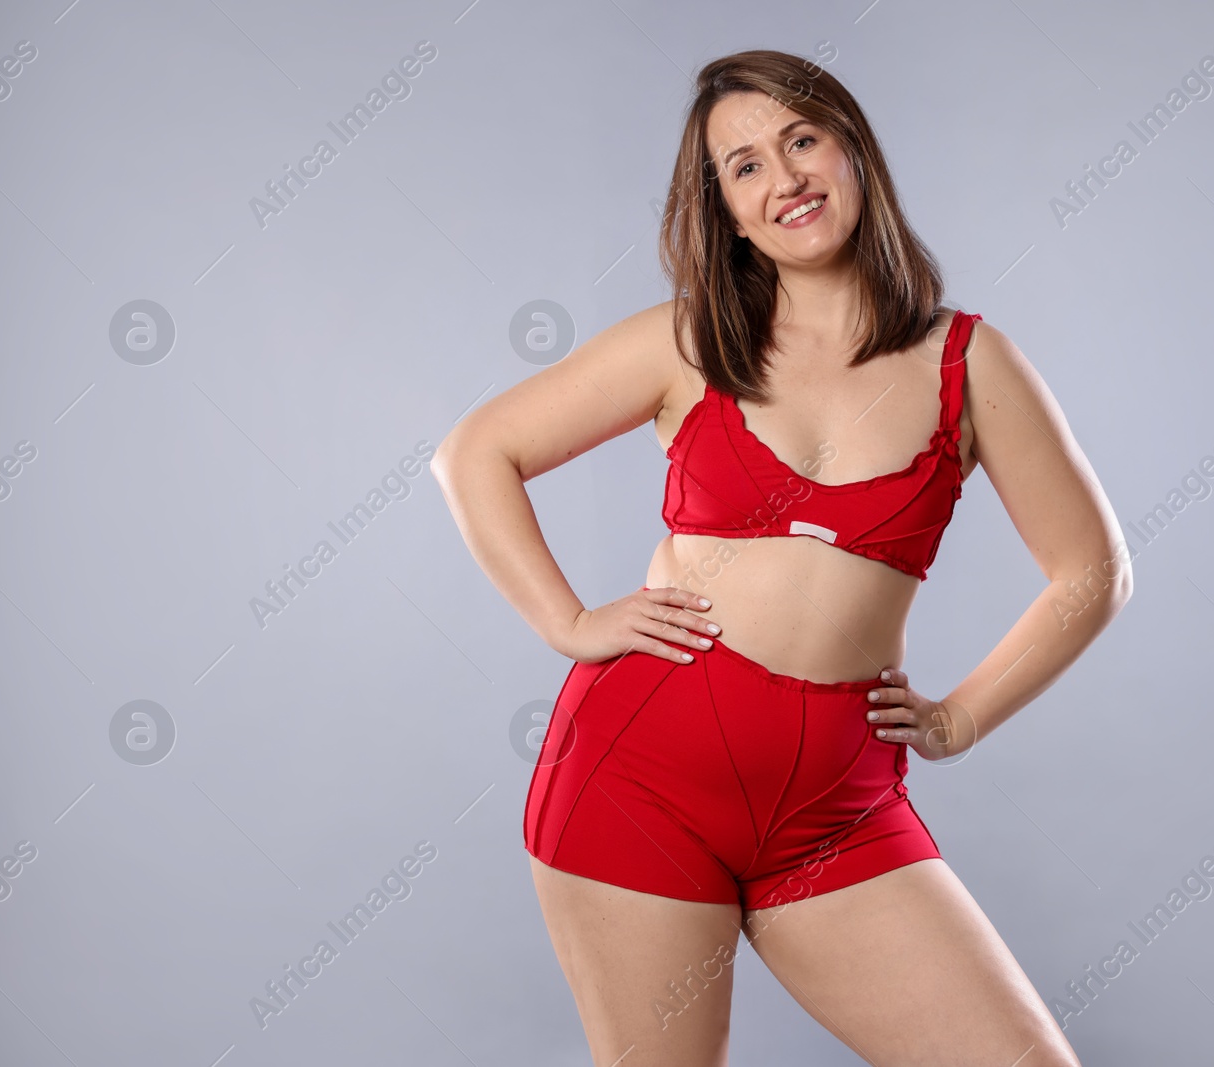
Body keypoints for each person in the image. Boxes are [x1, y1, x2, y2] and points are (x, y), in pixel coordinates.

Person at [432, 48, 1129, 1067]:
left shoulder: (969, 362)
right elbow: (475, 451)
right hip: (639, 781)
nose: (784, 178)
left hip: (834, 812)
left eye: (801, 140)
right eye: (744, 166)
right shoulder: (687, 341)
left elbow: (1090, 572)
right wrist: (569, 622)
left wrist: (960, 715)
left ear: (851, 150)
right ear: (725, 208)